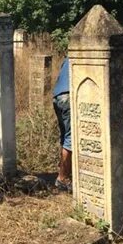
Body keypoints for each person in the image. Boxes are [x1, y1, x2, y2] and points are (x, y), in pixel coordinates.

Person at [53, 57, 72, 192]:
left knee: (65, 136)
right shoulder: (83, 56)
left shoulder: (68, 56)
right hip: (69, 97)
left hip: (57, 96)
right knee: (71, 139)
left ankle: (65, 170)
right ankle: (62, 178)